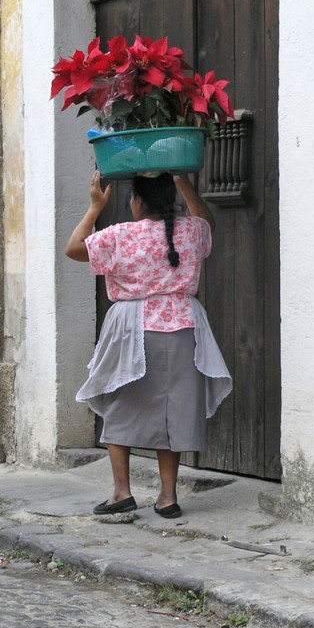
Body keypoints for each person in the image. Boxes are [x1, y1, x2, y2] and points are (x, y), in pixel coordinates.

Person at [65, 171, 231, 519]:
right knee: (173, 407)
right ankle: (168, 496)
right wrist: (184, 181)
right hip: (183, 325)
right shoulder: (192, 231)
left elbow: (74, 248)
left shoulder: (122, 235)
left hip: (133, 328)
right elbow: (207, 221)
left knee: (119, 401)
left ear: (137, 202)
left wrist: (95, 207)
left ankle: (122, 492)